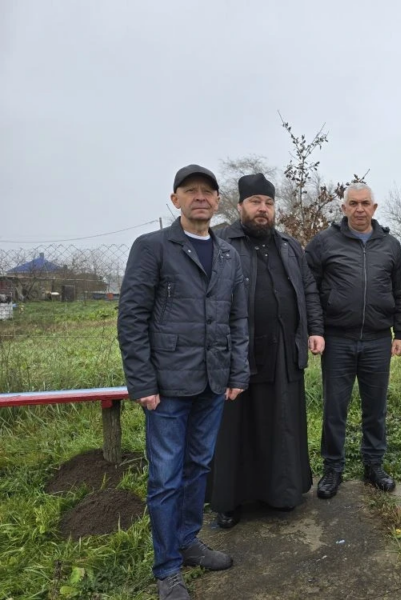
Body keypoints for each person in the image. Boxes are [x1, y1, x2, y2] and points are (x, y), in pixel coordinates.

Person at [118, 164, 249, 600]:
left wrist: (237, 371)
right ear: (175, 199)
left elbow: (238, 318)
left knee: (198, 468)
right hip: (167, 387)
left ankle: (188, 540)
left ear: (217, 201)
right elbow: (132, 317)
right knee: (166, 478)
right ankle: (167, 569)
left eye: (208, 191)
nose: (200, 197)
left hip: (213, 382)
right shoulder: (153, 247)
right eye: (190, 191)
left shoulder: (227, 254)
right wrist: (143, 382)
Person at [207, 173, 325, 528]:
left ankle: (282, 493)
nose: (263, 209)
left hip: (283, 351)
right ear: (240, 205)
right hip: (237, 352)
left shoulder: (289, 245)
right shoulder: (221, 242)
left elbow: (307, 289)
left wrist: (315, 329)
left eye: (269, 203)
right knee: (236, 428)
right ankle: (230, 501)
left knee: (281, 423)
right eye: (255, 202)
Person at [305, 183, 401, 499]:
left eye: (365, 203)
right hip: (338, 339)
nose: (359, 209)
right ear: (344, 208)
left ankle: (373, 465)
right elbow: (309, 290)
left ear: (374, 208)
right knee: (335, 409)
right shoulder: (323, 243)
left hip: (378, 340)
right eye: (353, 203)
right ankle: (332, 468)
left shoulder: (390, 245)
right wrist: (315, 329)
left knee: (375, 409)